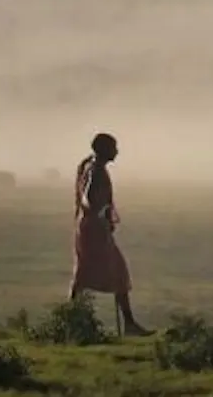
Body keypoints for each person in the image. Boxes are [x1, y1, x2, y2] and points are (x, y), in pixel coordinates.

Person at [68, 132, 149, 336]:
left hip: (92, 226)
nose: (117, 151)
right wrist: (98, 211)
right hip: (93, 228)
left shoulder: (92, 167)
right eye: (114, 147)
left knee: (93, 272)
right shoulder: (96, 171)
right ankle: (127, 324)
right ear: (105, 149)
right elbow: (88, 197)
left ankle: (70, 318)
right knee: (112, 271)